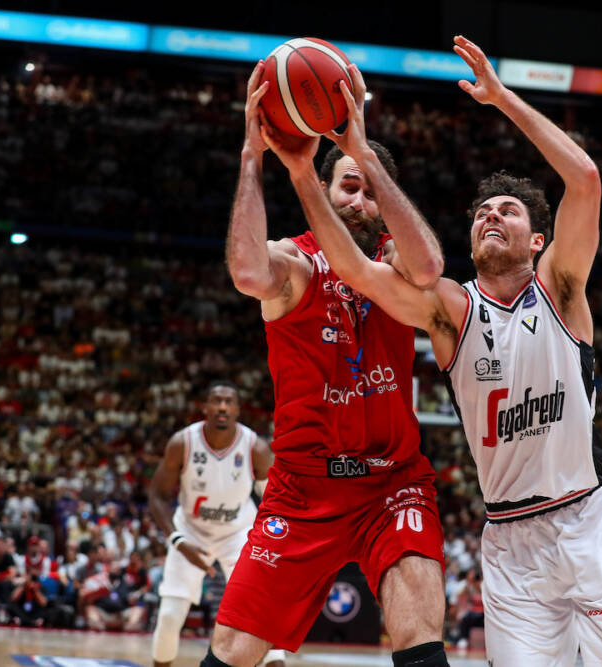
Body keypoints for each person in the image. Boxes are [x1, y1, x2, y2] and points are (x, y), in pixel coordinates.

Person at [261, 35, 602, 665]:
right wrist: (315, 171)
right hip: (509, 540)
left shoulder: (560, 286)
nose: (492, 216)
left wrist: (501, 99)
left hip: (588, 518)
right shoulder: (452, 309)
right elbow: (356, 270)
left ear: (537, 240)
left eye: (509, 211)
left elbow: (584, 178)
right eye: (482, 213)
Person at [202, 57, 449, 667]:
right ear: (326, 187)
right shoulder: (296, 261)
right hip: (303, 486)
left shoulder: (394, 263)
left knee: (418, 624)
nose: (359, 200)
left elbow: (428, 267)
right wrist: (253, 157)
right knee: (234, 649)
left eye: (370, 191)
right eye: (348, 185)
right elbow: (247, 273)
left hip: (392, 481)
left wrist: (362, 152)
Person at [148, 381, 283, 667]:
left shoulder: (255, 448)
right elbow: (158, 495)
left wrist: (271, 541)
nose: (222, 407)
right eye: (216, 400)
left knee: (259, 611)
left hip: (238, 532)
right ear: (205, 407)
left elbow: (275, 501)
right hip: (190, 532)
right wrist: (178, 541)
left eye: (228, 401)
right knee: (170, 615)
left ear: (237, 409)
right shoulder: (182, 443)